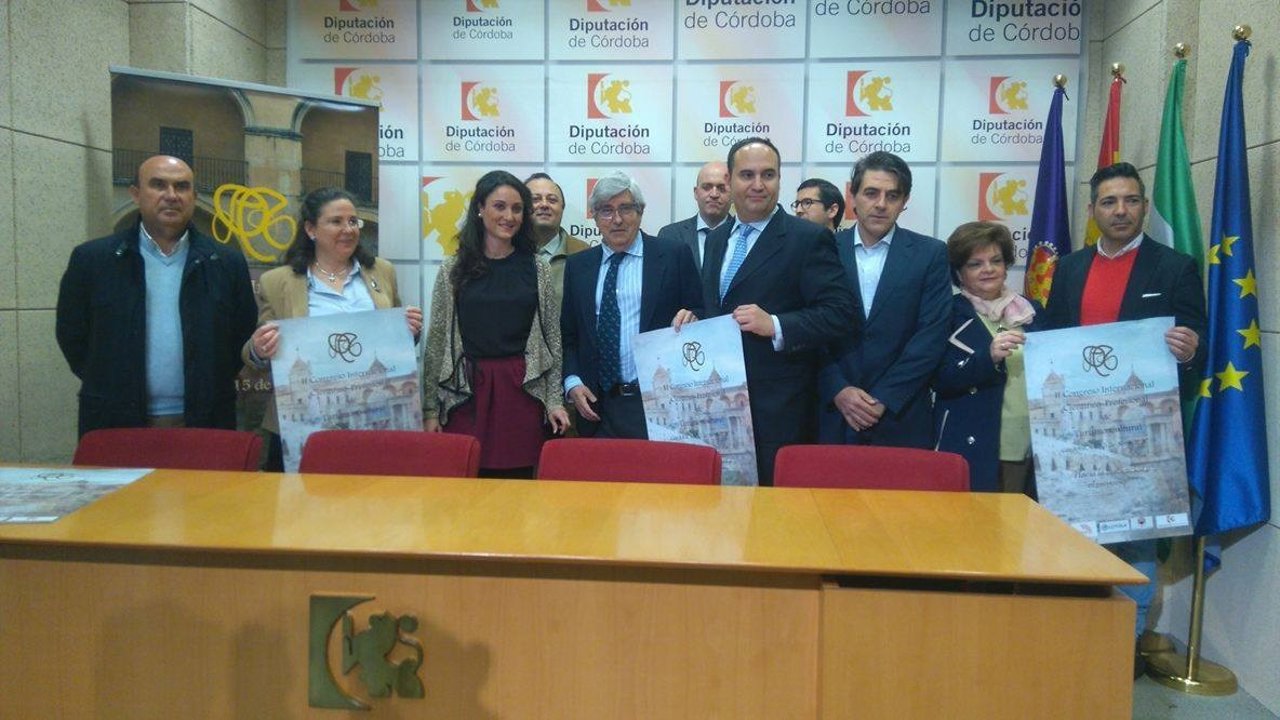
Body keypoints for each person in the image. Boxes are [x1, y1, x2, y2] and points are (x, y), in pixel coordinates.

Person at [1042, 162, 1206, 671]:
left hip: (1139, 437)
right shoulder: (1069, 268)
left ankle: (1120, 653)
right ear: (1092, 211)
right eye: (1109, 202)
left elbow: (1199, 339)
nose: (1120, 211)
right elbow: (1052, 339)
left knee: (1133, 543)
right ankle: (1069, 645)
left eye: (1131, 200)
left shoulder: (1174, 267)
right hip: (1077, 434)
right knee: (1071, 539)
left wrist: (1188, 348)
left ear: (1143, 207)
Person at [56, 154, 256, 436]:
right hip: (115, 421)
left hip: (204, 421)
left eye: (182, 187)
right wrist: (111, 384)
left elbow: (240, 336)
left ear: (194, 196)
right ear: (136, 194)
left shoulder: (225, 262)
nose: (171, 195)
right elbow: (72, 335)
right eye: (159, 185)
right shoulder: (93, 260)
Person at [702, 137, 856, 485]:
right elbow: (720, 307)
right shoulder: (716, 238)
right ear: (729, 180)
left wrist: (775, 324)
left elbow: (840, 313)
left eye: (768, 175)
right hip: (720, 408)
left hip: (780, 413)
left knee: (776, 526)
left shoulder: (807, 238)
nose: (758, 185)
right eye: (747, 175)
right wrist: (695, 315)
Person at [244, 187, 422, 471]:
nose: (348, 229)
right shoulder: (277, 282)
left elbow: (396, 340)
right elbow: (254, 355)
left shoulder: (382, 271)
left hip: (373, 421)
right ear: (311, 229)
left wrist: (410, 330)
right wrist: (258, 348)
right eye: (336, 221)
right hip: (306, 426)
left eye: (353, 221)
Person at [423, 170, 570, 477]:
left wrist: (555, 401)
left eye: (517, 209)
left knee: (520, 491)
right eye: (499, 206)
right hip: (466, 395)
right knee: (465, 485)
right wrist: (430, 409)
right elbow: (437, 340)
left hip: (522, 393)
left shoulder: (537, 268)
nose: (509, 216)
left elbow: (552, 339)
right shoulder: (453, 268)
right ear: (480, 208)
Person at [818, 151, 951, 449]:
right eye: (871, 193)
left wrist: (885, 398)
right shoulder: (822, 249)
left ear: (904, 201)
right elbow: (809, 330)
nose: (881, 204)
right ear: (852, 195)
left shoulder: (930, 254)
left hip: (901, 417)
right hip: (832, 416)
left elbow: (931, 335)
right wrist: (838, 388)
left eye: (892, 196)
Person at [561, 172, 702, 439]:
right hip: (595, 405)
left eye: (626, 208)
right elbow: (569, 335)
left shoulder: (673, 256)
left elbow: (702, 312)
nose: (616, 219)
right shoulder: (579, 266)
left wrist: (694, 317)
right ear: (594, 216)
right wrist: (572, 382)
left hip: (659, 403)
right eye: (606, 210)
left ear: (640, 212)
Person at [933, 222, 1039, 494]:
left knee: (1023, 530)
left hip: (1033, 443)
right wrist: (987, 357)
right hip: (975, 440)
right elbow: (939, 379)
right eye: (975, 264)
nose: (988, 269)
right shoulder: (948, 314)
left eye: (996, 261)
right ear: (959, 272)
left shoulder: (1033, 312)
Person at [525, 172, 590, 304]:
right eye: (535, 199)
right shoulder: (507, 252)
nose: (544, 205)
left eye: (552, 200)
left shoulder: (583, 253)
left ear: (562, 208)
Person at [657, 161, 732, 271]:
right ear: (696, 193)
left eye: (721, 188)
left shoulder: (743, 235)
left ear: (733, 194)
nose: (714, 194)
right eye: (707, 187)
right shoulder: (670, 235)